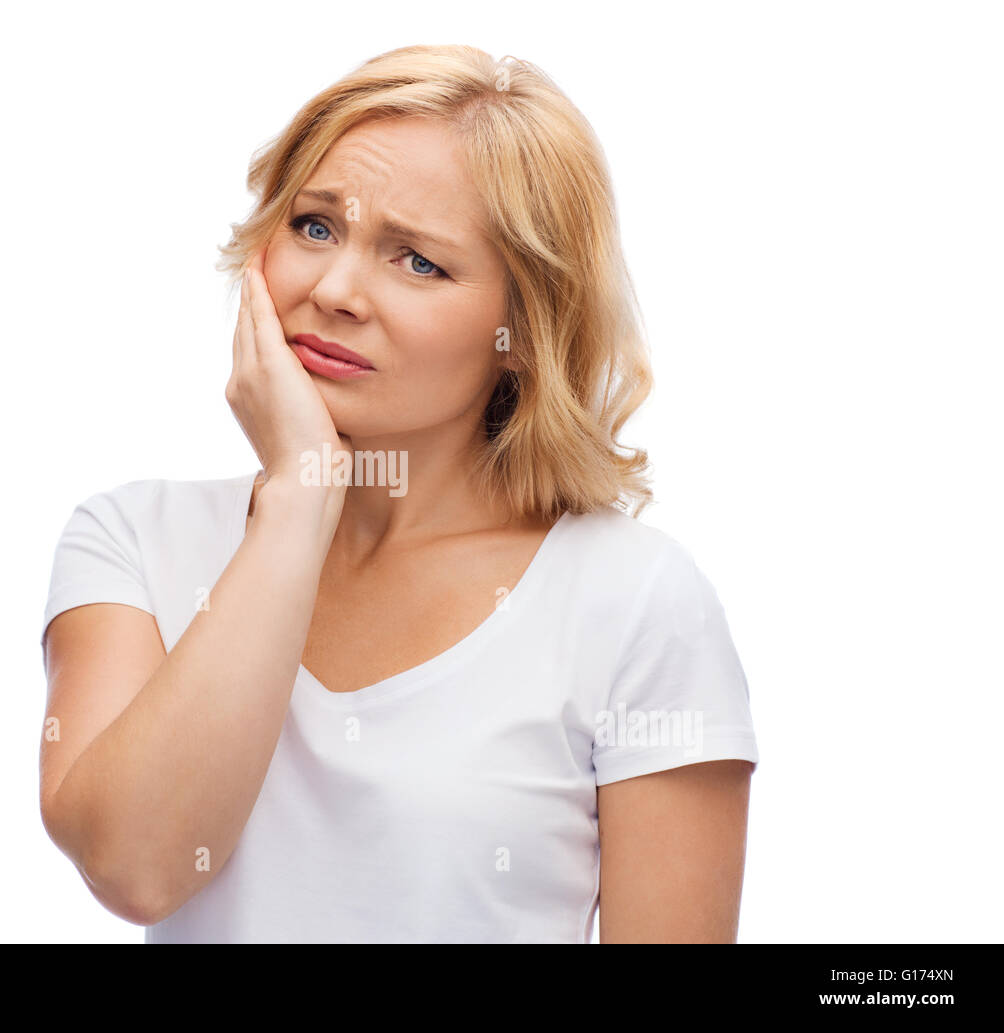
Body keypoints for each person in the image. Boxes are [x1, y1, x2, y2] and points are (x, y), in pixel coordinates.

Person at [38, 44, 759, 943]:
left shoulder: (635, 601)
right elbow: (139, 864)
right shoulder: (135, 541)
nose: (335, 290)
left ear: (522, 331)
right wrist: (299, 501)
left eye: (418, 261)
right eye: (313, 226)